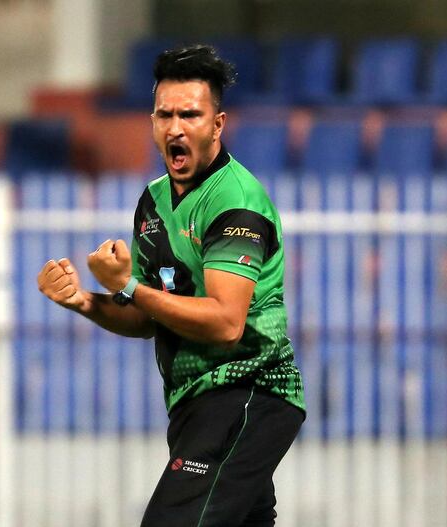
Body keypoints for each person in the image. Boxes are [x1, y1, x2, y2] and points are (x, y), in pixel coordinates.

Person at [37, 44, 305, 527]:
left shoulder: (235, 202)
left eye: (190, 115)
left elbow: (225, 323)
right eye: (165, 115)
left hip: (248, 392)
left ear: (218, 124)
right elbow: (147, 317)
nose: (175, 127)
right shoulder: (154, 202)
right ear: (152, 121)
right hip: (194, 405)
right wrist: (84, 300)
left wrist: (130, 287)